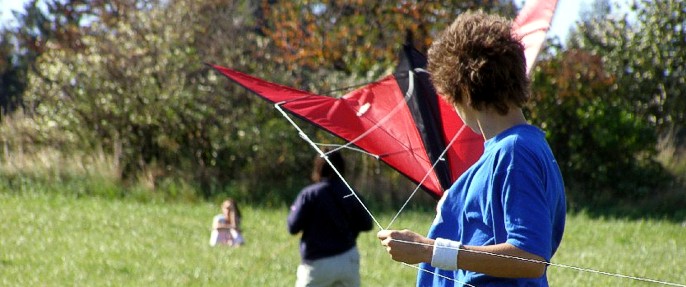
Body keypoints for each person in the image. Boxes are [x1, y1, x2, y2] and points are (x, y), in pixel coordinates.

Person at [377, 10, 566, 287]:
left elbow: (531, 257)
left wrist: (428, 250)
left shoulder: (516, 151)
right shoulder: (513, 148)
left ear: (464, 91)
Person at [287, 150, 374, 287]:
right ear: (342, 167)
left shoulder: (309, 195)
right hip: (347, 260)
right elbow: (367, 224)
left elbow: (292, 226)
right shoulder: (350, 194)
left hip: (317, 263)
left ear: (318, 168)